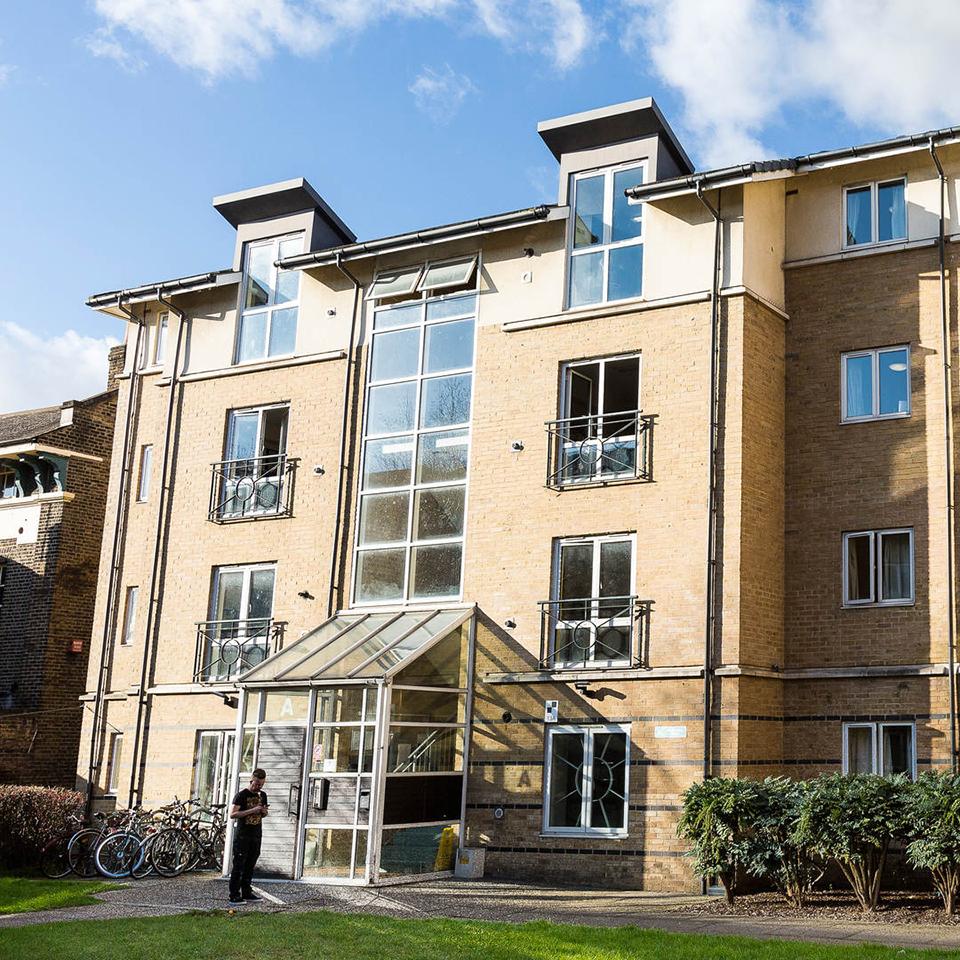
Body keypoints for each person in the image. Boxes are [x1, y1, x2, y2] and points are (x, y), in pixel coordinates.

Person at [228, 768, 268, 904]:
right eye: (256, 784)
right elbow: (233, 814)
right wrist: (252, 810)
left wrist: (263, 811)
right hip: (242, 835)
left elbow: (264, 813)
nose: (258, 787)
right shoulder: (241, 795)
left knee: (250, 865)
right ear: (251, 781)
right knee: (239, 865)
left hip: (256, 834)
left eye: (261, 784)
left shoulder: (263, 795)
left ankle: (247, 892)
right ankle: (234, 894)